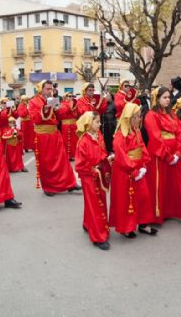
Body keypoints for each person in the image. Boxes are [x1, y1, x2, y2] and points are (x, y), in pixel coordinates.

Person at [143, 86, 181, 225]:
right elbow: (155, 137)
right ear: (157, 98)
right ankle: (159, 214)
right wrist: (167, 155)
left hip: (175, 154)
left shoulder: (171, 114)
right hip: (160, 155)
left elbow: (179, 134)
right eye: (164, 97)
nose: (167, 100)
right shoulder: (151, 115)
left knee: (180, 184)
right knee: (160, 185)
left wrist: (178, 152)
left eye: (168, 97)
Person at [110, 102, 157, 237]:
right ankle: (126, 227)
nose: (139, 119)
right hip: (126, 172)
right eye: (136, 116)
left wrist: (143, 165)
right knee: (127, 200)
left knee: (143, 197)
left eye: (139, 116)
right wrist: (134, 170)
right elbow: (121, 156)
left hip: (138, 169)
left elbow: (142, 148)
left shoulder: (136, 131)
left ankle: (143, 223)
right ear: (129, 117)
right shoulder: (120, 135)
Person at [29, 80, 79, 195]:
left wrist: (59, 108)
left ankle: (70, 183)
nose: (50, 91)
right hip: (42, 135)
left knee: (62, 160)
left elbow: (61, 116)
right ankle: (48, 187)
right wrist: (45, 109)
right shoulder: (33, 102)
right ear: (40, 89)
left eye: (51, 89)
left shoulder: (54, 100)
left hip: (55, 134)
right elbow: (35, 119)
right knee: (46, 162)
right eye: (47, 88)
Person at [75, 111, 113, 250]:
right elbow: (79, 165)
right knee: (94, 204)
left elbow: (102, 153)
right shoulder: (83, 141)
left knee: (99, 201)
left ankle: (88, 223)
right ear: (89, 123)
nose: (100, 124)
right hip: (89, 176)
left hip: (99, 173)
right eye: (97, 121)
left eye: (99, 121)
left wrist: (107, 159)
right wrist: (93, 169)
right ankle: (98, 236)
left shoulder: (99, 136)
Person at [56, 92, 78, 160]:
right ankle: (68, 156)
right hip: (67, 125)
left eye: (72, 96)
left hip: (73, 124)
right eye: (69, 96)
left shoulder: (73, 103)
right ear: (65, 97)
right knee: (67, 141)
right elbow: (62, 112)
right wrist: (70, 107)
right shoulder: (63, 104)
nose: (71, 97)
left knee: (74, 141)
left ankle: (73, 155)